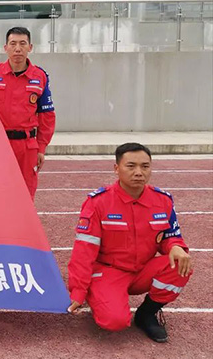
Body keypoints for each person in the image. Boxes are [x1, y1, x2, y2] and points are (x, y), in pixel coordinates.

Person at [67, 143, 192, 342]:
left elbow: (170, 236)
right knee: (114, 322)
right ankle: (100, 295)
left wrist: (175, 246)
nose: (139, 172)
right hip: (109, 271)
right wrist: (78, 290)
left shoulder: (163, 200)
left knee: (181, 263)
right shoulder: (98, 202)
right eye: (131, 166)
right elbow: (84, 251)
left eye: (145, 166)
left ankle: (147, 313)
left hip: (142, 270)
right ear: (116, 169)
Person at [0, 26, 55, 198]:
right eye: (13, 44)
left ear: (30, 47)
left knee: (26, 192)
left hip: (27, 147)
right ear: (5, 47)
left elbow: (47, 115)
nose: (18, 49)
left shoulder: (40, 76)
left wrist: (41, 148)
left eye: (23, 43)